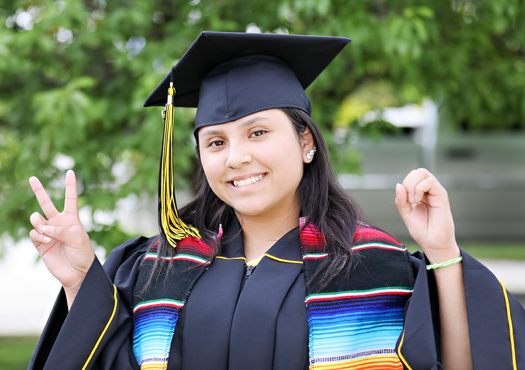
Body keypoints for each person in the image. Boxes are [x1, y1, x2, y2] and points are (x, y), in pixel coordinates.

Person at [27, 32, 524, 370]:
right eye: (216, 142)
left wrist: (442, 253)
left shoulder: (370, 266)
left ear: (306, 142)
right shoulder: (159, 265)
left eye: (258, 132)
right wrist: (79, 282)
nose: (236, 157)